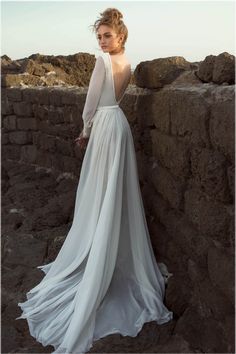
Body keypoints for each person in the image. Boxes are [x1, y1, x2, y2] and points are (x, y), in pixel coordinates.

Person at [15, 7, 173, 354]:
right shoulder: (129, 64)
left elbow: (91, 102)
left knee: (99, 190)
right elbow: (115, 98)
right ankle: (111, 247)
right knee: (113, 191)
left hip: (103, 127)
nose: (101, 41)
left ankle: (97, 252)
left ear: (120, 36)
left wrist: (85, 129)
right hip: (120, 126)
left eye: (107, 36)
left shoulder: (102, 63)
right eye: (98, 36)